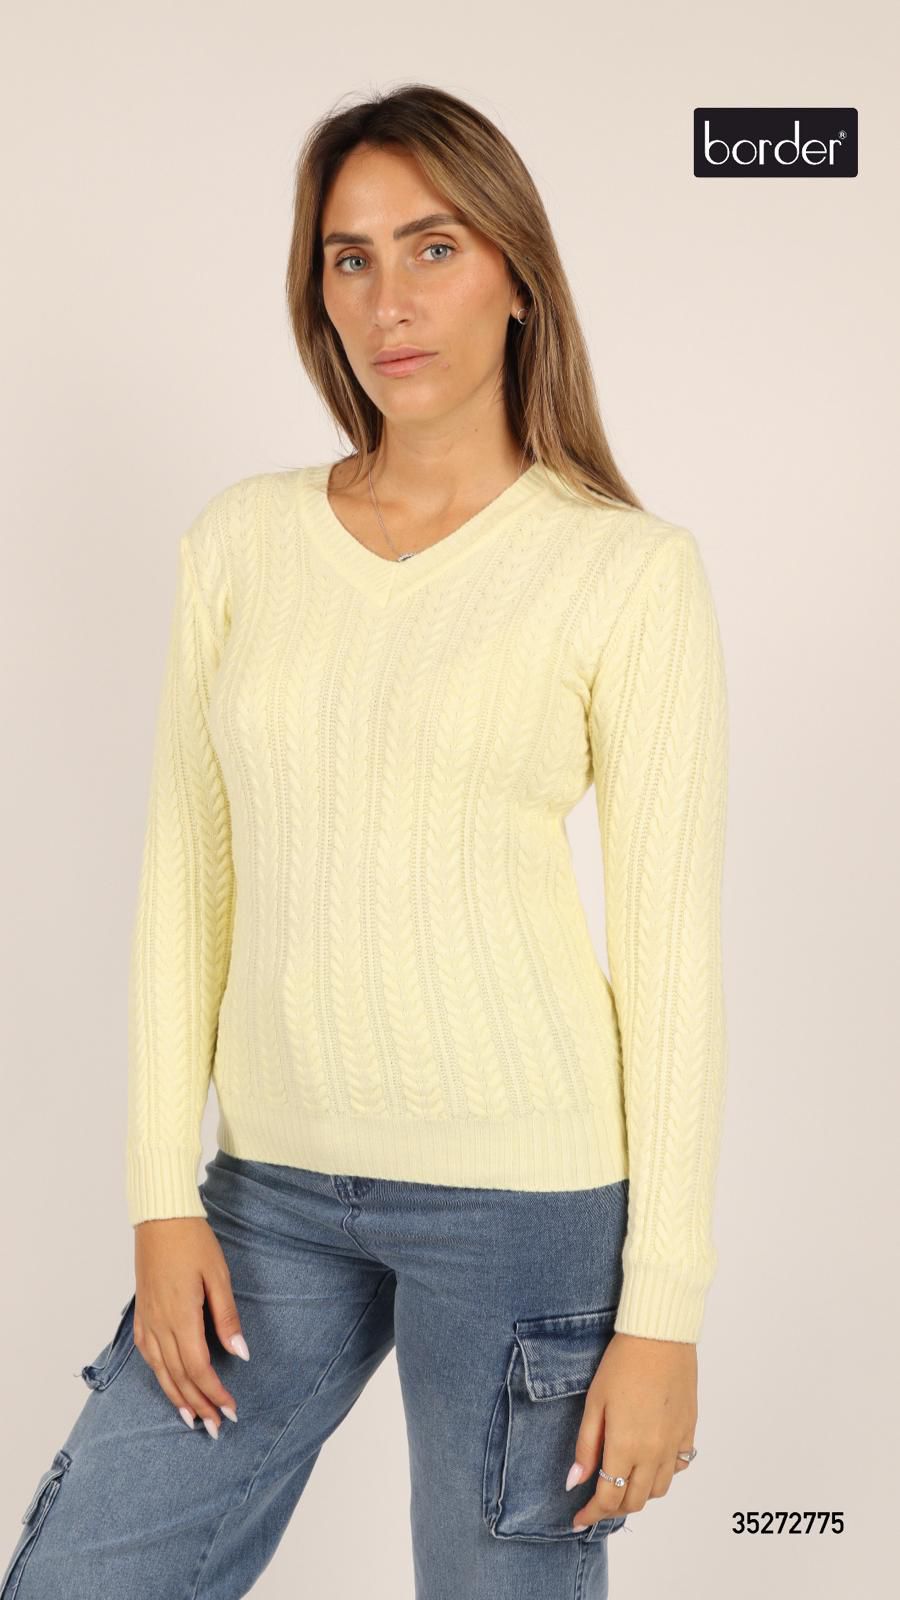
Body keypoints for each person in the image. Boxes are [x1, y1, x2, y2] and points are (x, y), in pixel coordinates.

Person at [2, 82, 728, 1600]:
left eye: (433, 247)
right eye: (350, 258)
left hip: (526, 1206)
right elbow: (184, 888)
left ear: (517, 275)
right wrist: (158, 1196)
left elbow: (673, 961)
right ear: (318, 291)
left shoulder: (625, 572)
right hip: (267, 1197)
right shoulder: (243, 543)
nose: (389, 300)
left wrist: (662, 1311)